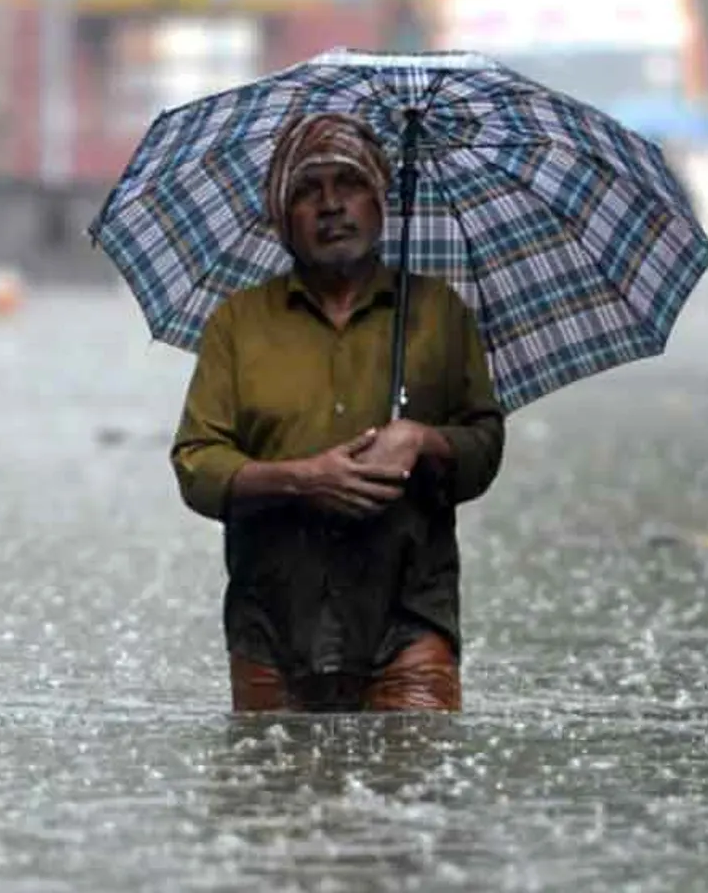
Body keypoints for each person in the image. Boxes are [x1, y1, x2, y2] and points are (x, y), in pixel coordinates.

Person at [171, 113, 506, 713]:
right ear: (282, 219)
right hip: (273, 624)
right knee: (272, 796)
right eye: (307, 191)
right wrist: (303, 479)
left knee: (416, 794)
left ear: (381, 203)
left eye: (348, 184)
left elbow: (484, 448)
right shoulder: (238, 323)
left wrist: (422, 440)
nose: (331, 206)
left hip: (408, 620)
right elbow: (197, 466)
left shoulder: (437, 313)